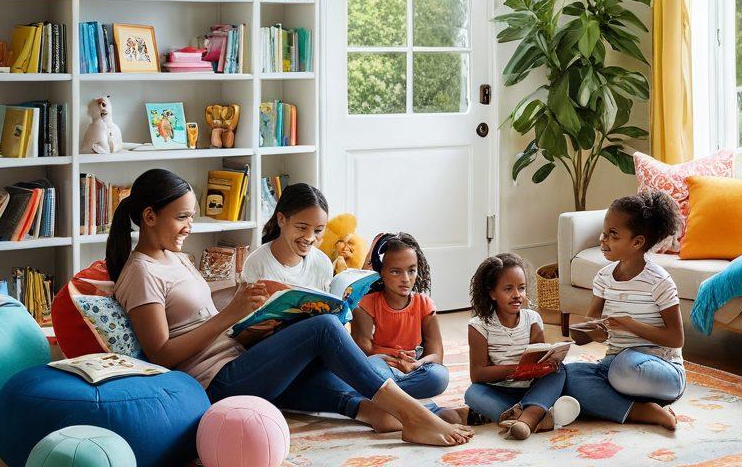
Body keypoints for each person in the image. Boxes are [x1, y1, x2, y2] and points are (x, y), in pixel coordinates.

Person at [110, 169, 471, 446]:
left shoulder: (175, 258)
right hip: (215, 381)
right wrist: (230, 315)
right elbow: (161, 355)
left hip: (236, 360)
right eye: (182, 218)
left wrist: (253, 316)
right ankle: (416, 415)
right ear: (149, 216)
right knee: (324, 331)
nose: (190, 226)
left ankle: (376, 411)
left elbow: (201, 319)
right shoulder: (141, 272)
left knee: (321, 354)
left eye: (191, 216)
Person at [563, 190, 685, 430]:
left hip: (660, 371)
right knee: (565, 375)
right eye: (604, 232)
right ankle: (643, 411)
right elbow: (590, 332)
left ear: (637, 242)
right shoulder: (603, 278)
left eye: (613, 235)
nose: (603, 240)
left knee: (623, 366)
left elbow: (676, 338)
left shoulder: (659, 281)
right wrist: (575, 336)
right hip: (614, 367)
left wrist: (629, 324)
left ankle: (616, 400)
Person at [465, 253, 579, 439]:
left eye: (522, 288)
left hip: (533, 388)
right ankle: (539, 416)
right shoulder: (479, 325)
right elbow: (477, 374)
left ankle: (525, 420)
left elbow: (539, 356)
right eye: (508, 289)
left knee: (560, 371)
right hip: (500, 390)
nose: (517, 295)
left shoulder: (532, 319)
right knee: (473, 394)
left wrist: (547, 362)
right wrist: (517, 369)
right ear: (492, 293)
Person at [351, 233, 458, 419]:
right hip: (383, 364)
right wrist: (395, 360)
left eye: (411, 270)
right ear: (381, 272)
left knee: (439, 376)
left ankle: (385, 397)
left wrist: (418, 363)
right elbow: (363, 352)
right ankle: (412, 405)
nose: (406, 278)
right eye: (395, 271)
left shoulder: (424, 304)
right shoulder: (366, 305)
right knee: (370, 368)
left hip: (413, 368)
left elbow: (436, 354)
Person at [241, 183, 332, 290]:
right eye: (302, 228)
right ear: (281, 220)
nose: (310, 237)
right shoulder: (256, 263)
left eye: (318, 230)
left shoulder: (323, 264)